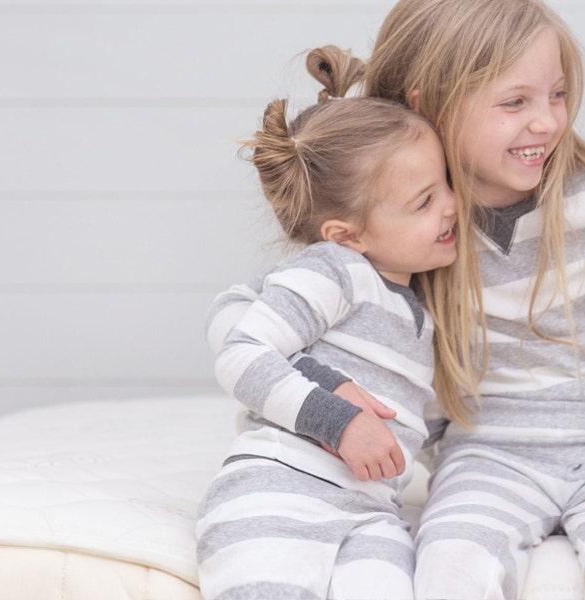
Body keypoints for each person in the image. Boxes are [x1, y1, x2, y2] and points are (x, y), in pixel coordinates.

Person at [360, 0, 585, 597]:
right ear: (426, 104)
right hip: (488, 455)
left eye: (557, 95)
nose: (546, 122)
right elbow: (297, 312)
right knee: (450, 567)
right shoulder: (397, 226)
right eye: (514, 102)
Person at [195, 46, 459, 600]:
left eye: (447, 187)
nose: (452, 207)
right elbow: (243, 352)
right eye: (424, 201)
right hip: (278, 491)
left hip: (372, 513)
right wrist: (338, 421)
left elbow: (425, 426)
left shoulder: (420, 311)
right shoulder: (335, 270)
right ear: (346, 234)